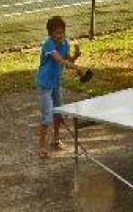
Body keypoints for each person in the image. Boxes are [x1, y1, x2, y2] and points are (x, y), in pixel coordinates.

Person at [35, 15, 86, 159]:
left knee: (59, 114)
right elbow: (58, 59)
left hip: (56, 83)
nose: (60, 35)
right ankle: (42, 147)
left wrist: (75, 57)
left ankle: (56, 139)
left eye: (62, 32)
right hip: (45, 84)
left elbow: (66, 59)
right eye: (57, 33)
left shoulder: (64, 44)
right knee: (46, 118)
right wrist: (78, 67)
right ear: (50, 34)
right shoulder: (48, 45)